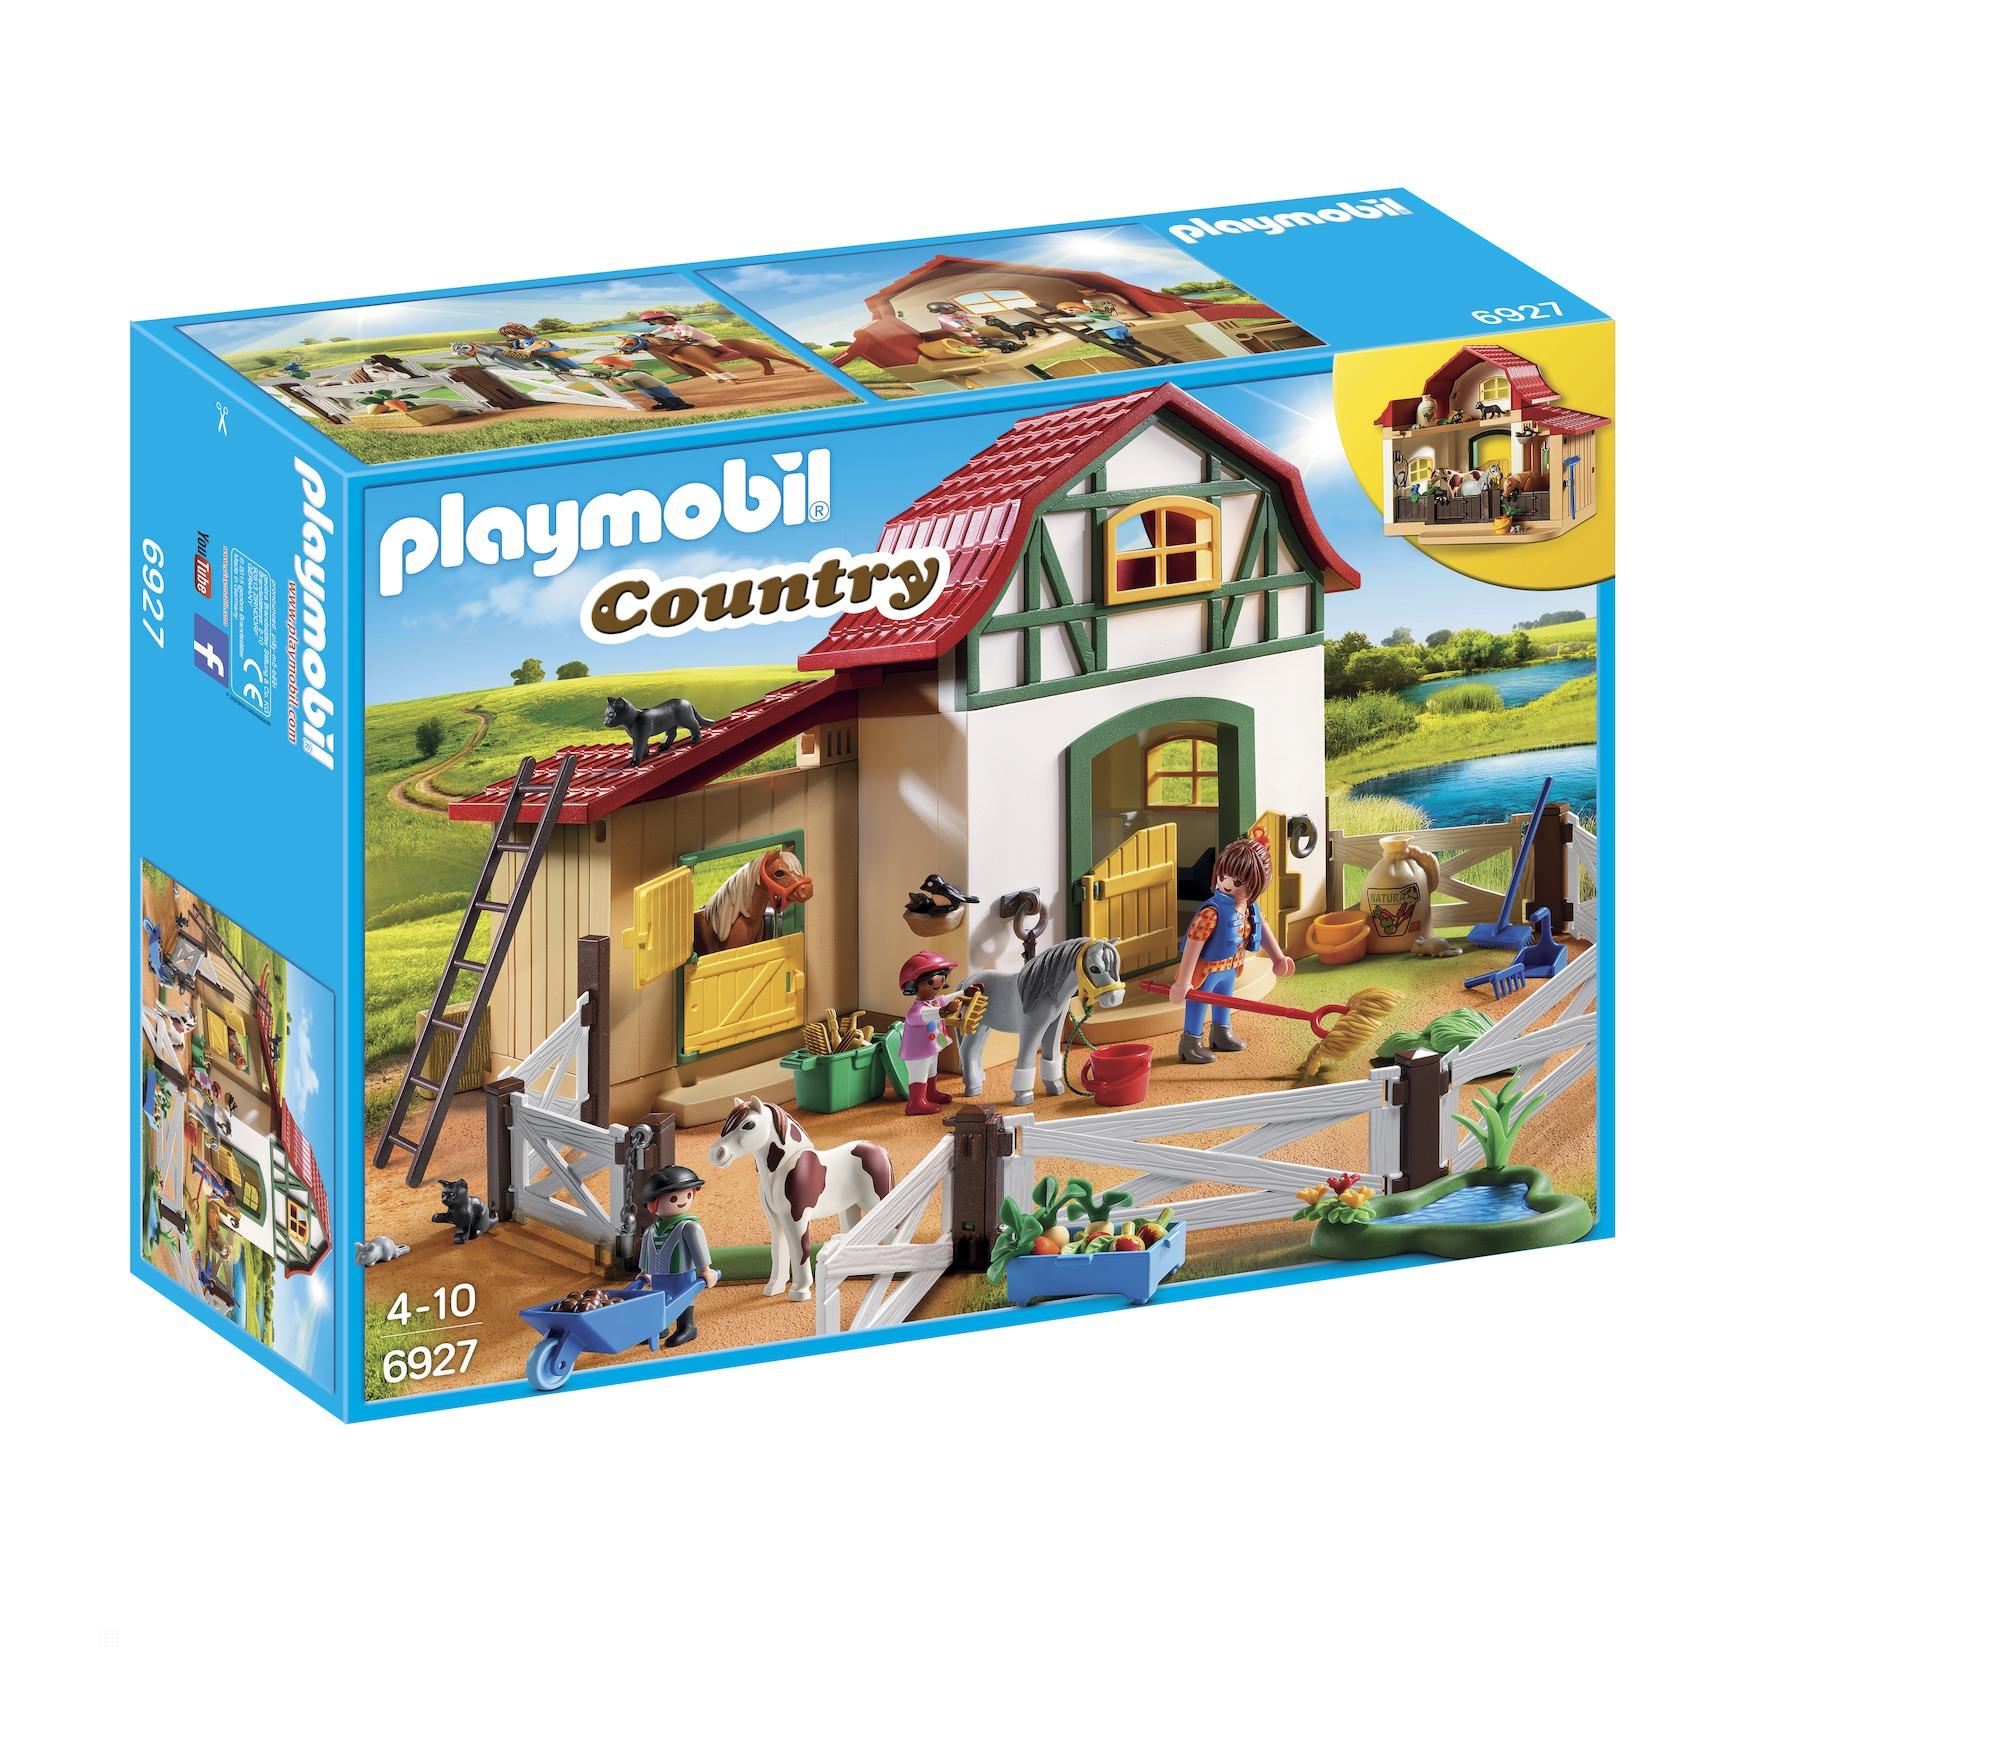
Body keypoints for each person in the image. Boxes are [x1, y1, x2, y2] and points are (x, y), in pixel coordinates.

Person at [1167, 826, 1295, 1065]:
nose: (1225, 884)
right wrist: (1183, 981)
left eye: (1236, 881)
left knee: (1223, 1000)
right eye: (1222, 877)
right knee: (1199, 1002)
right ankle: (1191, 1042)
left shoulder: (1250, 908)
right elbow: (1193, 945)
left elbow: (1263, 930)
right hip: (1206, 970)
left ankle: (1221, 1033)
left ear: (1256, 884)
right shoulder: (1211, 913)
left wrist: (1278, 958)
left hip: (1231, 967)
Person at [634, 1164, 721, 1348]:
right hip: (658, 1276)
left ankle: (687, 1327)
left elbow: (699, 1249)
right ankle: (661, 1327)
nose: (682, 1201)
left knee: (683, 1300)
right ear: (653, 1204)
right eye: (673, 1198)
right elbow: (647, 1252)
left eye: (688, 1195)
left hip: (682, 1276)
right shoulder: (651, 1231)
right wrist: (644, 1271)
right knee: (660, 1300)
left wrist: (706, 1270)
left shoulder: (688, 1227)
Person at [897, 950, 964, 1115]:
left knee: (932, 1070)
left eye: (942, 979)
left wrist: (964, 993)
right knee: (919, 1074)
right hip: (917, 1053)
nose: (938, 984)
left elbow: (946, 999)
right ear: (914, 986)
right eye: (931, 981)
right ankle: (916, 1103)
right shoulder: (917, 1010)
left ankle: (930, 1092)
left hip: (931, 1048)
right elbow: (926, 1015)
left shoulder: (933, 1002)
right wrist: (943, 1011)